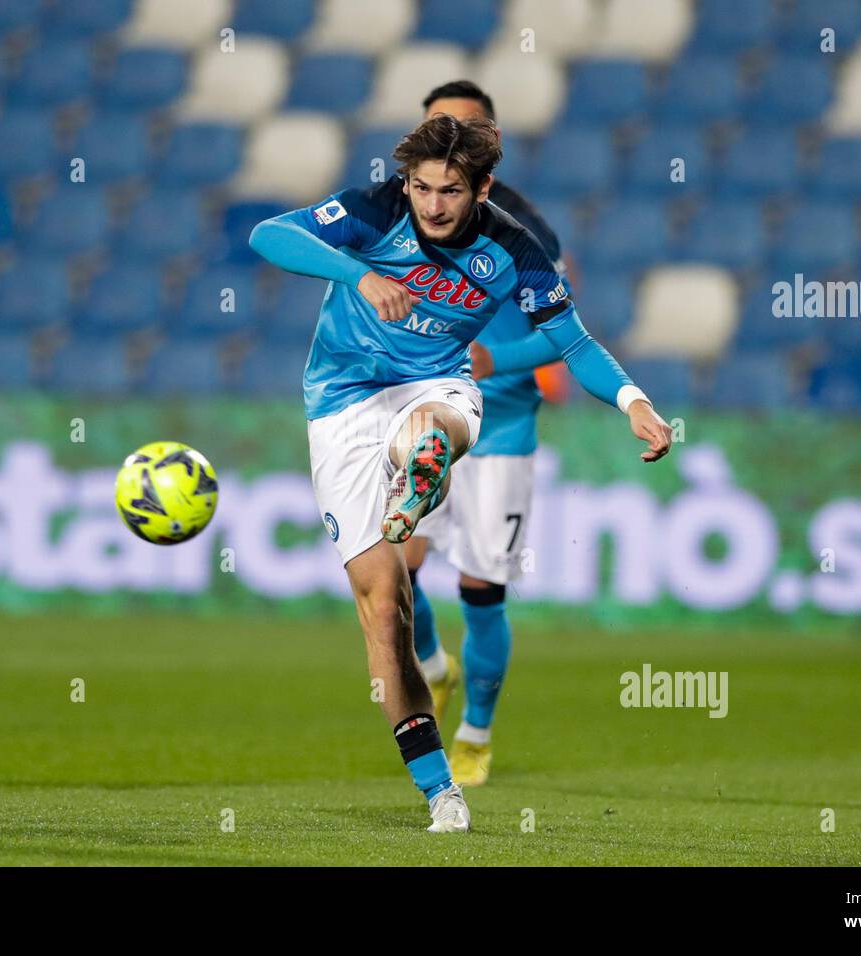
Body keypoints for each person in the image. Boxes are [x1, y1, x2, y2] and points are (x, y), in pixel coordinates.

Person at [249, 114, 672, 833]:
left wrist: (634, 401)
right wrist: (359, 273)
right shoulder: (375, 209)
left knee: (431, 430)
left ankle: (422, 471)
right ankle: (442, 790)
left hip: (438, 387)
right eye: (422, 188)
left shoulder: (515, 249)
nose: (433, 205)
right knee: (384, 609)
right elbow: (267, 235)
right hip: (341, 401)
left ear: (481, 187)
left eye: (450, 191)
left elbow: (574, 342)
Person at [405, 80, 575, 787]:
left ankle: (475, 731)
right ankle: (434, 668)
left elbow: (565, 338)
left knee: (481, 589)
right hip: (425, 417)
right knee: (392, 564)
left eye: (455, 133)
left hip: (499, 427)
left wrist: (495, 360)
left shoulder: (528, 235)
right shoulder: (409, 216)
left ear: (488, 148)